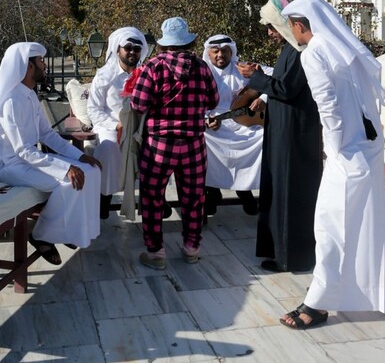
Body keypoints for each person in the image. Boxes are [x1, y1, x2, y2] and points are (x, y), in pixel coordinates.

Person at [279, 0, 385, 329]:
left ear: (300, 25)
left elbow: (328, 109)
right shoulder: (343, 47)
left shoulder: (314, 52)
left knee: (330, 229)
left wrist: (332, 151)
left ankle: (316, 303)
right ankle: (346, 295)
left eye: (291, 27)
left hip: (346, 153)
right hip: (369, 148)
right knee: (356, 227)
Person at [0, 42, 102, 265]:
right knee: (69, 182)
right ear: (27, 67)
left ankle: (70, 231)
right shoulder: (11, 101)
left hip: (26, 159)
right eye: (41, 61)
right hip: (9, 166)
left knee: (90, 170)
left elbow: (47, 134)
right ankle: (40, 235)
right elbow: (21, 150)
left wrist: (79, 157)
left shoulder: (28, 95)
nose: (45, 65)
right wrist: (65, 168)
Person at [241, 0, 322, 274]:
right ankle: (278, 250)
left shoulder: (301, 52)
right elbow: (280, 84)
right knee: (278, 188)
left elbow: (287, 89)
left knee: (292, 192)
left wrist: (255, 77)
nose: (269, 33)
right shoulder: (290, 49)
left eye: (273, 27)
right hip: (284, 129)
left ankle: (293, 256)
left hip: (296, 132)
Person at [129, 17, 219, 269]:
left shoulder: (153, 67)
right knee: (193, 198)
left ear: (163, 44)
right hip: (193, 143)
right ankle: (191, 248)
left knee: (152, 197)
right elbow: (213, 101)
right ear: (189, 42)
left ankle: (156, 253)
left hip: (159, 145)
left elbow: (138, 105)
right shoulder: (202, 67)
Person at [87, 26, 149, 219]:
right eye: (128, 47)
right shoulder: (104, 76)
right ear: (117, 50)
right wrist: (116, 125)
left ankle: (155, 200)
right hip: (111, 126)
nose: (132, 52)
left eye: (137, 49)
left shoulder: (147, 74)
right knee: (108, 149)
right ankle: (104, 199)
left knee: (159, 147)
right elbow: (94, 109)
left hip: (141, 126)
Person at [202, 35, 267, 216]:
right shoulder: (201, 72)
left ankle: (244, 190)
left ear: (232, 52)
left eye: (224, 51)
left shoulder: (243, 69)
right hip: (213, 125)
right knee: (203, 139)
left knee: (261, 137)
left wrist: (263, 98)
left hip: (242, 124)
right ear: (209, 53)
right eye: (216, 51)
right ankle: (212, 192)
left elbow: (275, 77)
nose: (220, 55)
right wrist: (205, 119)